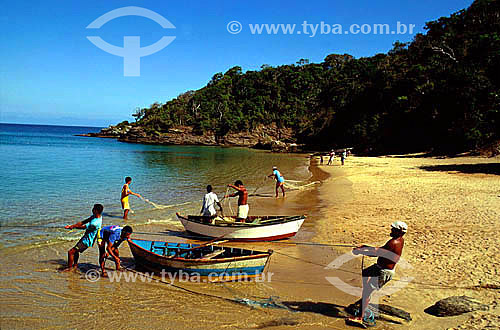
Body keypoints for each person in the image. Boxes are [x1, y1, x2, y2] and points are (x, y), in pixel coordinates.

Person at [348, 221, 407, 327]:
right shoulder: (397, 240)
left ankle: (360, 318)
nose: (391, 230)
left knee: (366, 292)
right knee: (366, 272)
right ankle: (366, 299)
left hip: (384, 272)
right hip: (378, 267)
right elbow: (380, 249)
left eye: (393, 229)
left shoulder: (393, 243)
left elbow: (376, 253)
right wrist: (365, 246)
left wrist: (360, 251)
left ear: (399, 232)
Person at [63, 204, 104, 271]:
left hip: (87, 241)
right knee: (76, 251)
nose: (92, 209)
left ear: (96, 211)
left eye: (93, 209)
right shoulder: (97, 216)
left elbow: (83, 227)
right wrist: (72, 226)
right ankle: (75, 265)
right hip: (85, 238)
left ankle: (69, 268)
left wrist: (72, 227)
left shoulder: (95, 223)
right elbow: (83, 222)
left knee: (71, 252)